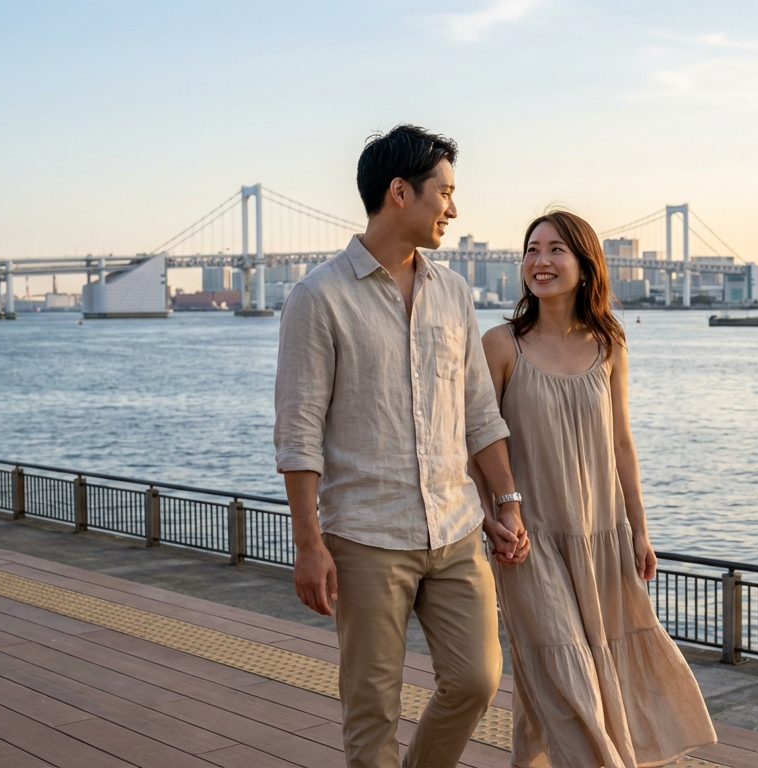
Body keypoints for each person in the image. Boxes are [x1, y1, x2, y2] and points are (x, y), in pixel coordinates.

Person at [274, 124, 530, 768]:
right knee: (371, 709)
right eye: (444, 192)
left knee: (477, 680)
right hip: (365, 535)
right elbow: (299, 429)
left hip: (454, 529)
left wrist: (507, 504)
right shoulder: (318, 298)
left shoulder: (455, 293)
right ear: (398, 193)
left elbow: (478, 413)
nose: (453, 208)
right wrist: (309, 543)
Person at [476, 211, 716, 767]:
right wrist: (492, 514)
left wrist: (640, 531)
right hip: (529, 541)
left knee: (569, 684)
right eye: (531, 249)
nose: (540, 261)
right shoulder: (501, 345)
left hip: (601, 536)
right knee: (563, 670)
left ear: (585, 267)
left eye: (556, 249)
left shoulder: (609, 344)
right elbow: (474, 440)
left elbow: (622, 445)